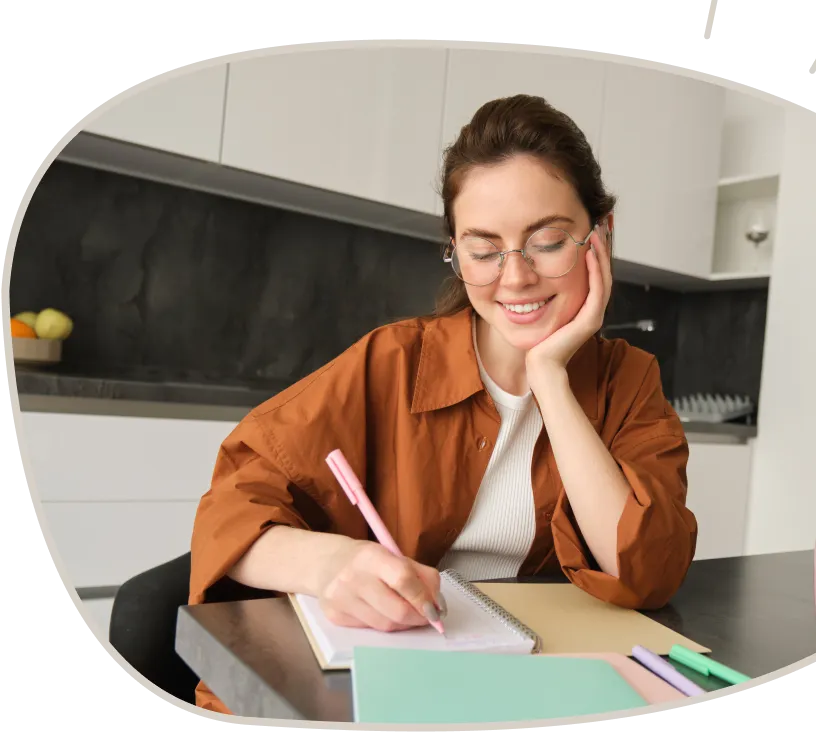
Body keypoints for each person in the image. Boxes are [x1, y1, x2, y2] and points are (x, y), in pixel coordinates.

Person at [187, 93, 698, 714]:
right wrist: (330, 565)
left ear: (601, 236)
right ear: (455, 251)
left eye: (547, 241)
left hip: (516, 689)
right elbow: (231, 509)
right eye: (483, 251)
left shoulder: (628, 380)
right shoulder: (392, 362)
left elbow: (645, 570)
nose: (515, 277)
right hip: (364, 690)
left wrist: (550, 378)